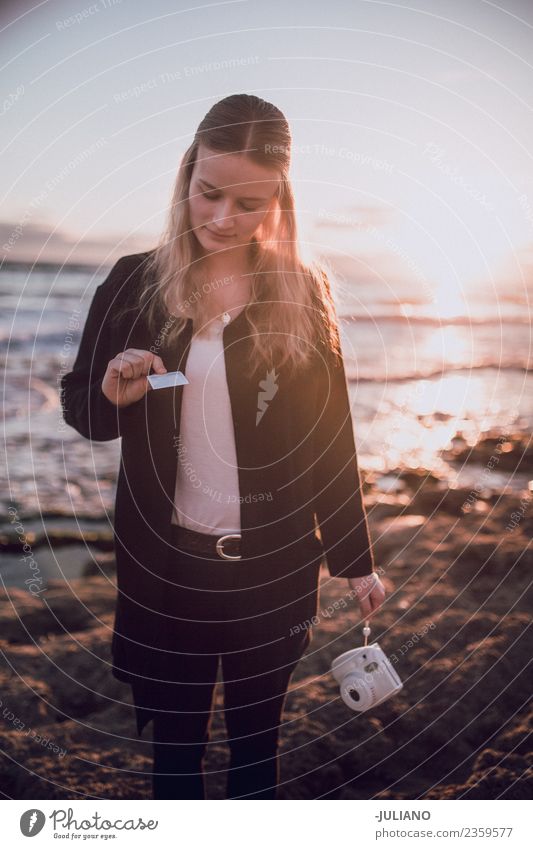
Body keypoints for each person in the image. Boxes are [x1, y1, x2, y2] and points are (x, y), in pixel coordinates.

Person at [61, 93, 386, 800]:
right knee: (174, 754)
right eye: (209, 193)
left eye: (249, 202)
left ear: (279, 199)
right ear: (186, 177)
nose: (222, 218)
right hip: (165, 569)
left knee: (254, 754)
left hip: (274, 571)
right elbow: (81, 406)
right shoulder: (131, 283)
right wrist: (114, 394)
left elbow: (330, 437)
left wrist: (355, 561)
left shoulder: (302, 291)